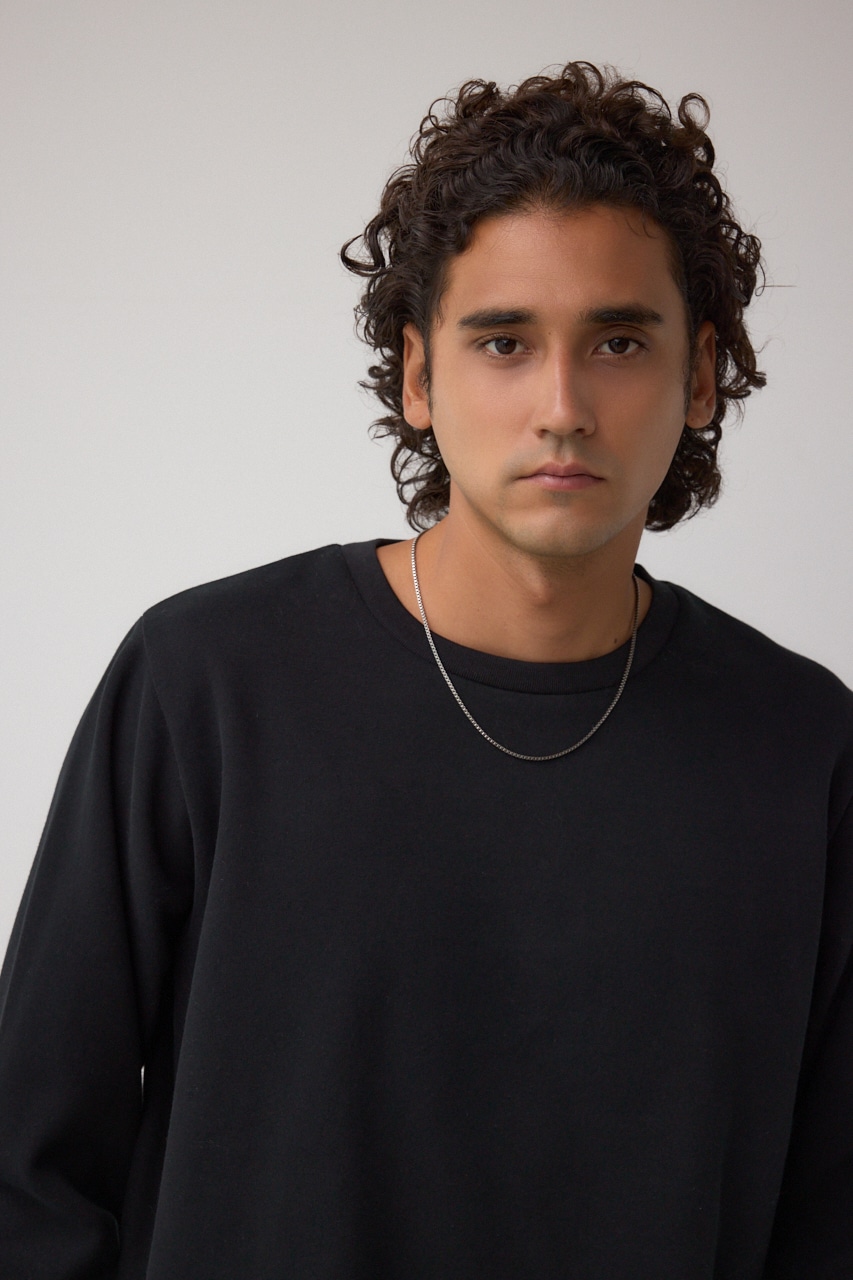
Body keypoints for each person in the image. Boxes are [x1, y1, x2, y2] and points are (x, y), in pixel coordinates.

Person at [1, 58, 851, 1280]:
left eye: (618, 339)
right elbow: (28, 1169)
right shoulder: (207, 686)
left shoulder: (803, 748)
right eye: (504, 341)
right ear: (417, 376)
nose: (561, 405)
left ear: (702, 373)